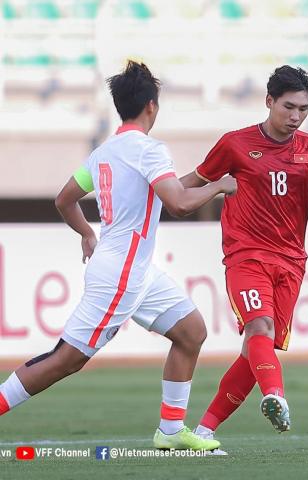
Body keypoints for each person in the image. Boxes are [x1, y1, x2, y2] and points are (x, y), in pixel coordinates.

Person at [0, 61, 236, 451]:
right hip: (121, 274)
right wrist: (220, 187)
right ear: (151, 107)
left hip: (134, 270)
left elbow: (65, 200)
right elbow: (177, 203)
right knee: (66, 360)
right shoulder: (150, 149)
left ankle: (171, 431)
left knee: (191, 332)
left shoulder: (105, 152)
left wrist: (86, 233)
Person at [179, 66, 308, 453]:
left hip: (290, 262)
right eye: (289, 107)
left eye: (303, 109)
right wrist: (156, 187)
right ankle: (277, 396)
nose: (296, 116)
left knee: (255, 350)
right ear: (269, 101)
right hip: (245, 255)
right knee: (260, 328)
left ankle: (204, 431)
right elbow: (193, 181)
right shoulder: (235, 144)